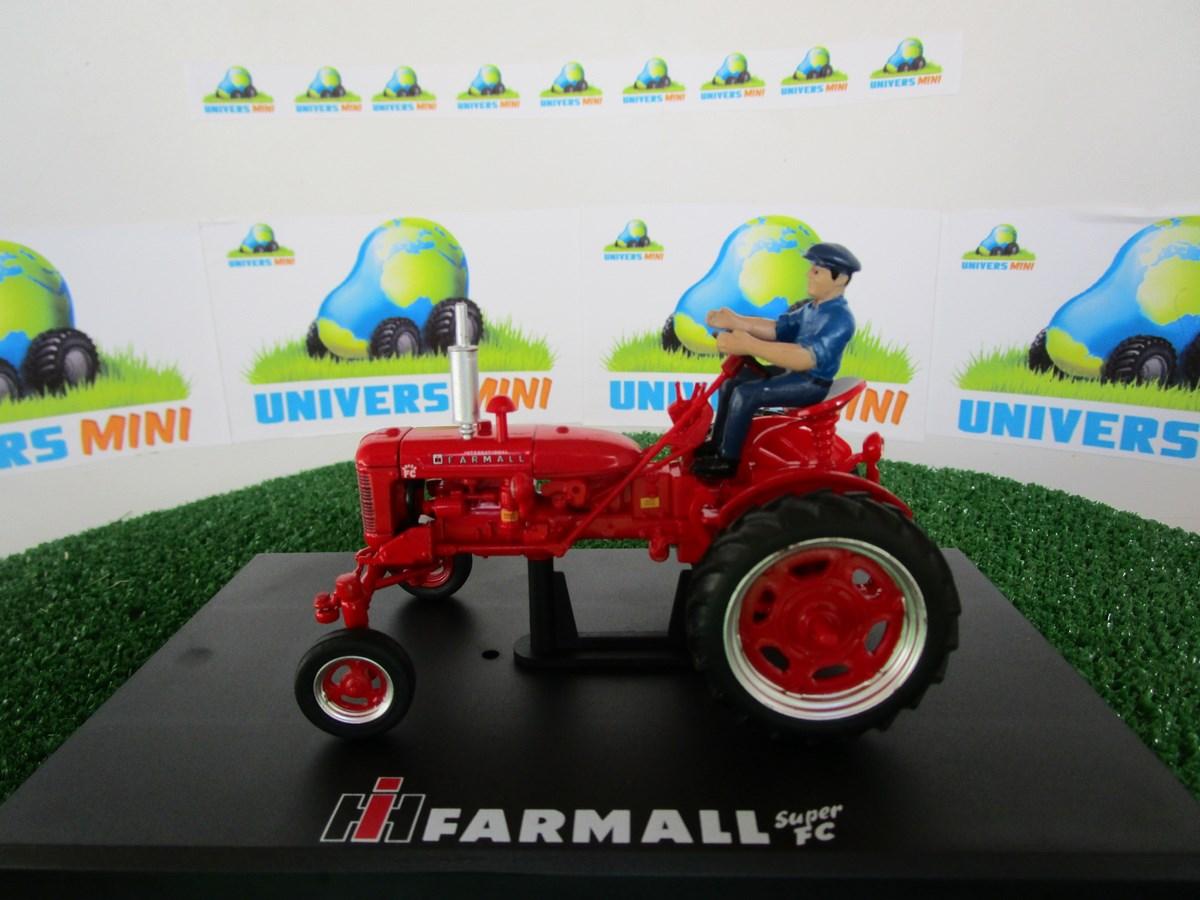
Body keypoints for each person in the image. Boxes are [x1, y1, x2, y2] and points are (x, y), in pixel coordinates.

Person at [692, 241, 860, 478]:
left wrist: (749, 345)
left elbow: (805, 358)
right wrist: (736, 321)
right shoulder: (813, 309)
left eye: (816, 271)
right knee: (732, 382)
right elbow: (778, 329)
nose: (808, 274)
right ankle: (717, 442)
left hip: (811, 383)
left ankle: (728, 461)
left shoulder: (840, 319)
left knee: (746, 394)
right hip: (794, 374)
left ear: (840, 279)